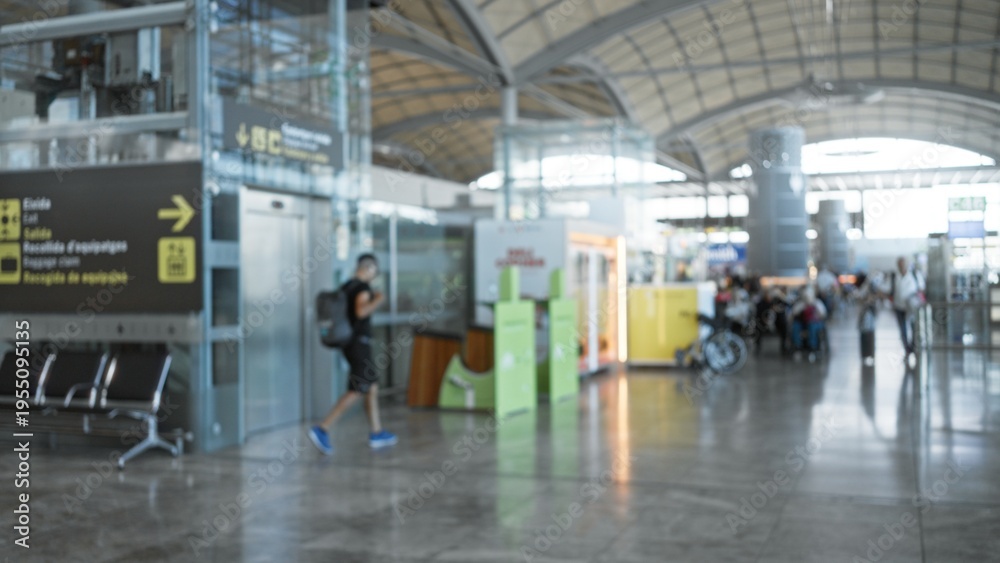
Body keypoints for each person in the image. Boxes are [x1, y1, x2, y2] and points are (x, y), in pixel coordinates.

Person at [308, 254, 397, 454]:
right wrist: (379, 299)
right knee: (358, 388)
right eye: (375, 271)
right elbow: (361, 312)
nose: (375, 276)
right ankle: (323, 428)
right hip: (359, 344)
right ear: (369, 268)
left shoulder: (346, 286)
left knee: (371, 386)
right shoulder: (362, 288)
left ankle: (377, 432)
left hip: (349, 344)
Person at [889, 256, 925, 363]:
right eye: (900, 264)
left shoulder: (914, 275)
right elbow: (890, 290)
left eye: (903, 264)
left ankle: (914, 348)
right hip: (899, 307)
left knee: (914, 328)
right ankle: (907, 350)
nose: (901, 266)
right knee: (903, 330)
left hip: (912, 307)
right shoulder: (895, 276)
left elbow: (921, 288)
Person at [790, 286, 827, 360]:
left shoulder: (817, 303)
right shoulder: (800, 304)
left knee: (812, 326)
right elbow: (793, 313)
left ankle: (812, 347)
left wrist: (816, 312)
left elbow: (823, 314)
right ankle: (798, 346)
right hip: (802, 323)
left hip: (815, 323)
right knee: (795, 326)